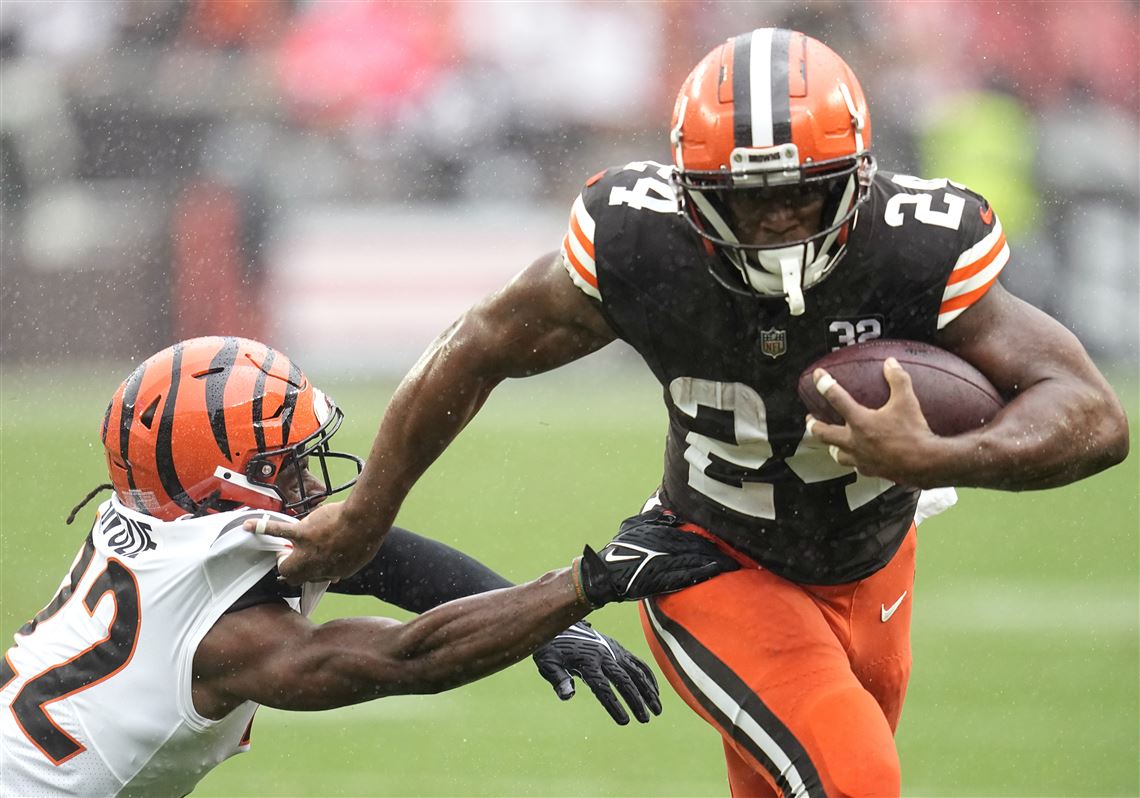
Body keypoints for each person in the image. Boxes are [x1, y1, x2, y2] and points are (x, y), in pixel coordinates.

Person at [256, 29, 1130, 797]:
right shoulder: (642, 242)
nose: (781, 221)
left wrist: (944, 457)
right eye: (751, 199)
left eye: (803, 192)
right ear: (691, 190)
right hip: (712, 562)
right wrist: (369, 509)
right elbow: (480, 345)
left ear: (858, 178)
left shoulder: (915, 245)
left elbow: (1094, 416)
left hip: (875, 565)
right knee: (854, 779)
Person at [0, 336, 738, 797]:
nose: (312, 486)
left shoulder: (157, 515)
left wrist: (540, 621)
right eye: (285, 467)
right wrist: (586, 585)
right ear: (218, 483)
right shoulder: (228, 641)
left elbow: (374, 554)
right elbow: (408, 657)